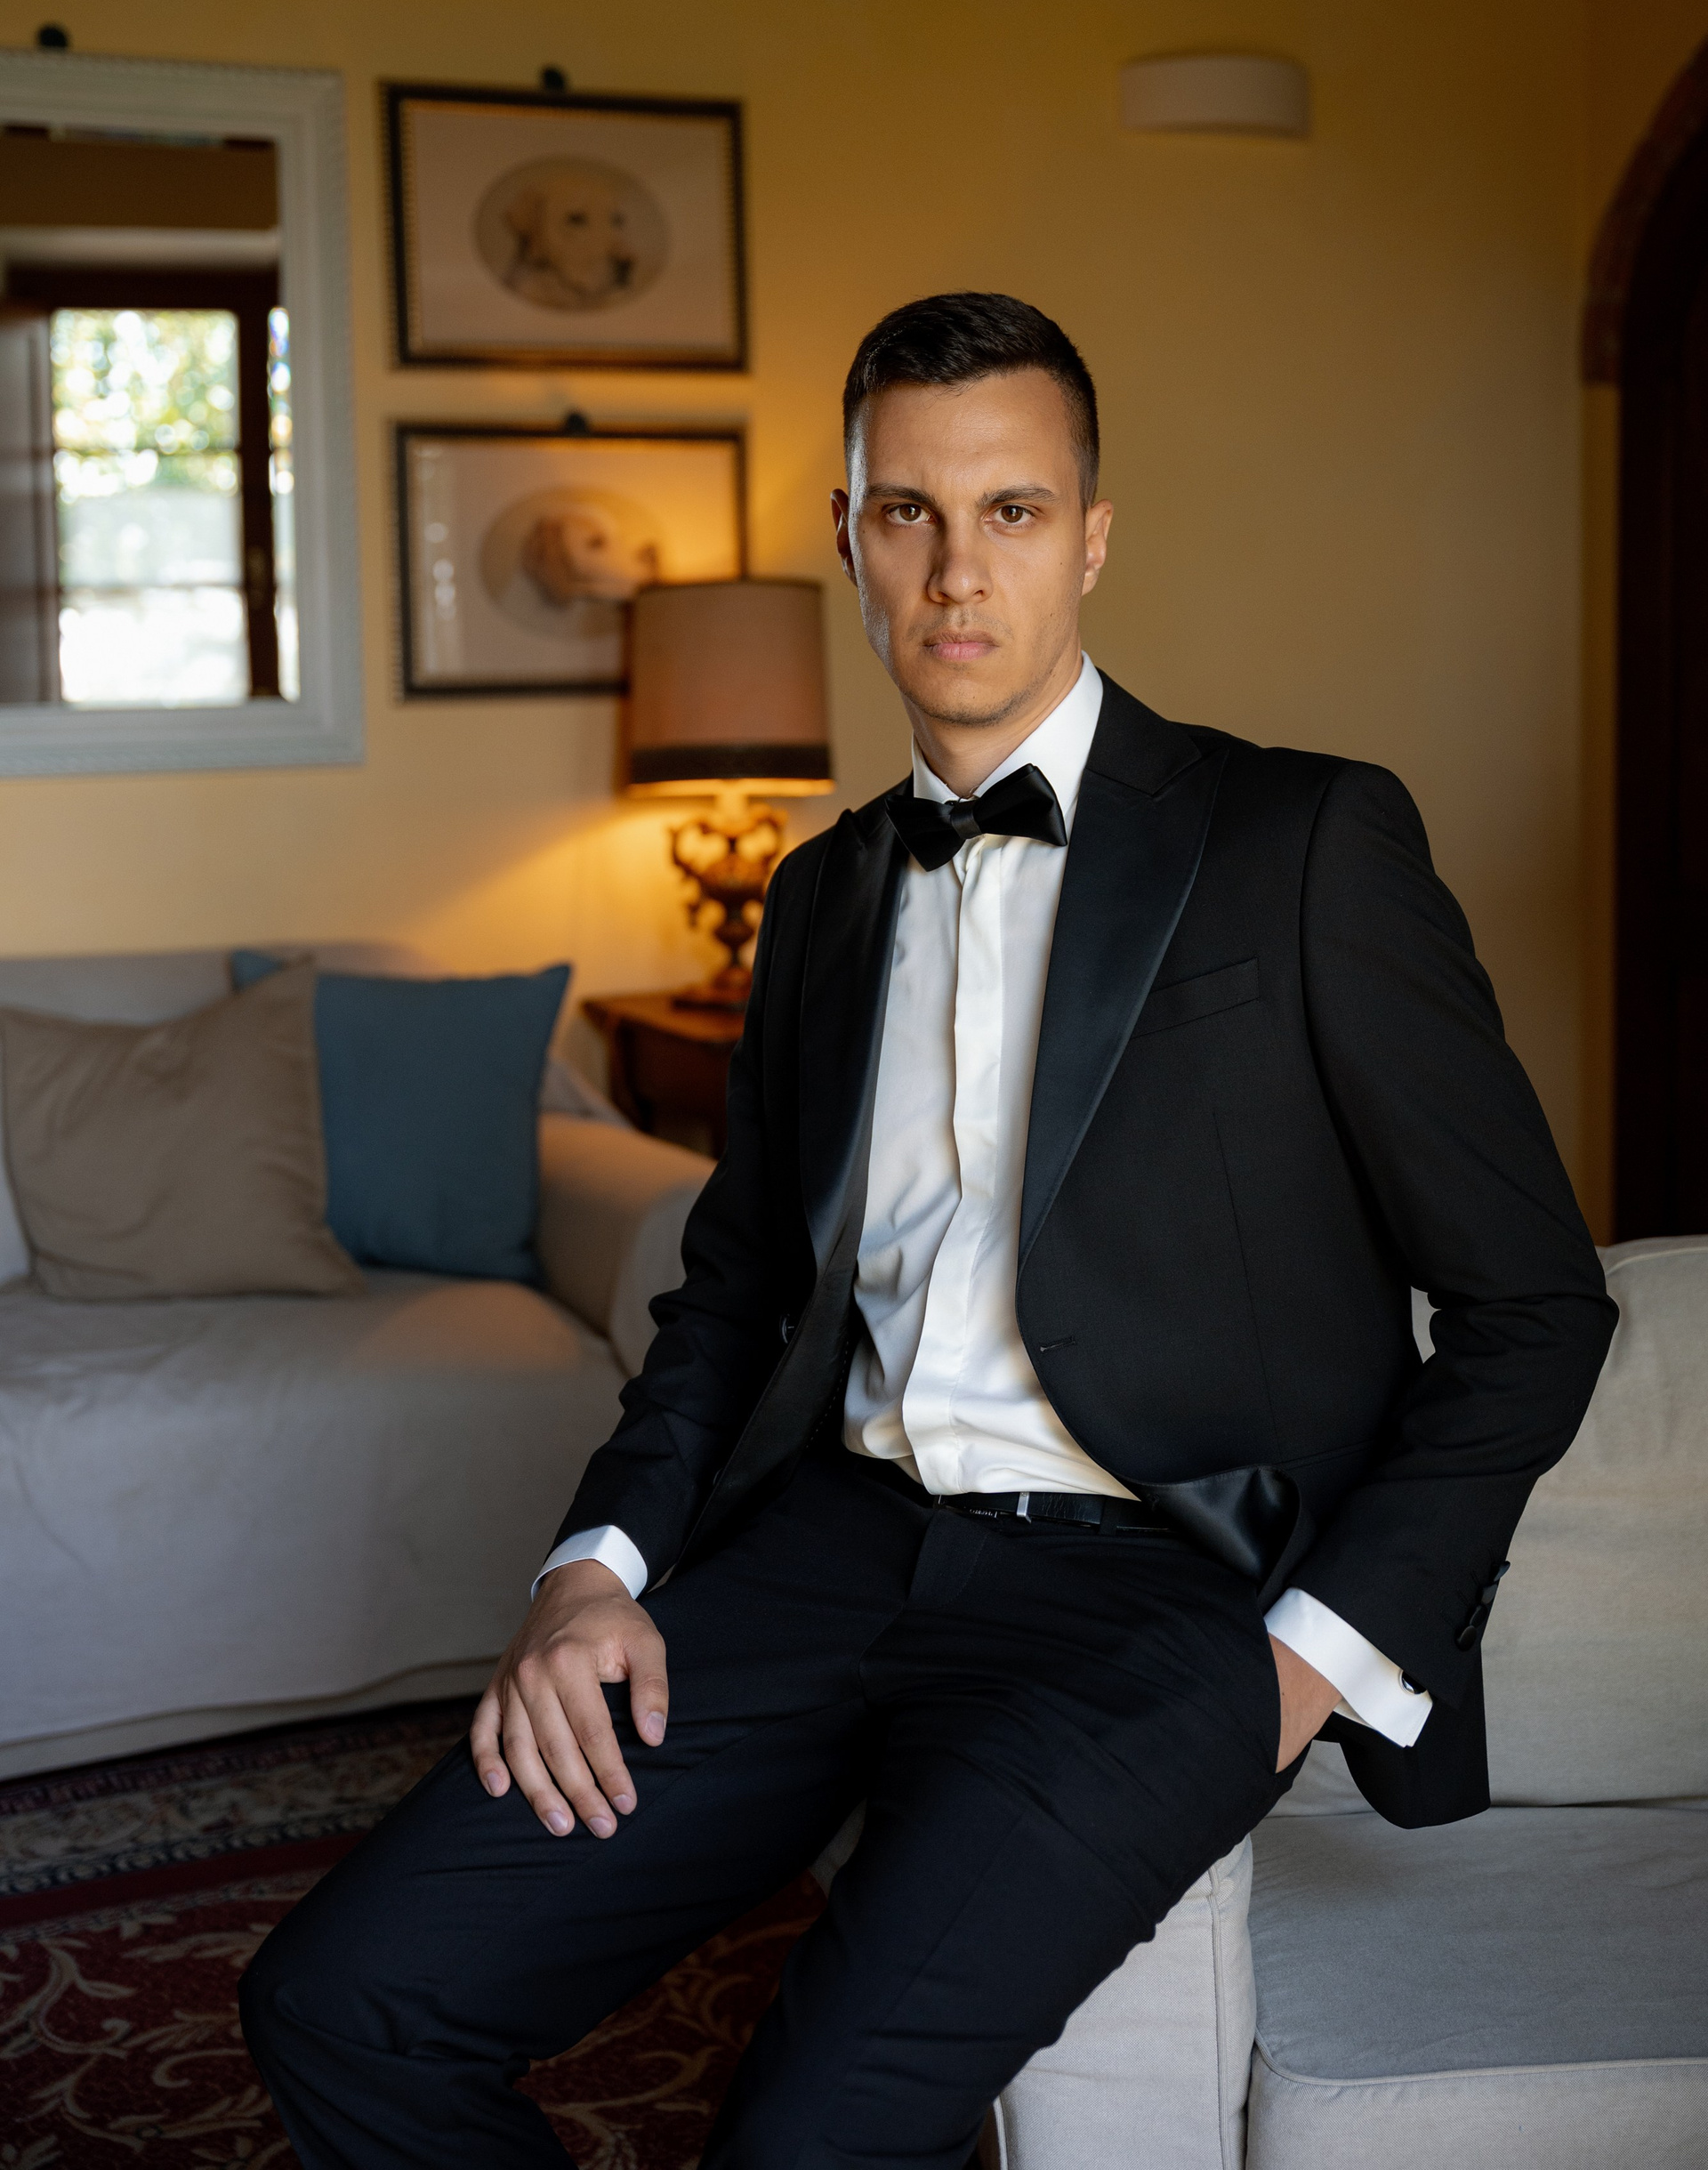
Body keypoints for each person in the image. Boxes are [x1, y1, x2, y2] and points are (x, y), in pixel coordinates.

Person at [242, 292, 1616, 2169]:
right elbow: (733, 1293)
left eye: (1013, 511)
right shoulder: (817, 898)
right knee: (340, 2002)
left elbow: (1536, 1304)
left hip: (1163, 1596)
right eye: (910, 512)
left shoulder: (1302, 841)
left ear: (1093, 537)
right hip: (836, 1552)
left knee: (807, 2134)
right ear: (850, 536)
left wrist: (1306, 1661)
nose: (959, 570)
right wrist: (594, 1566)